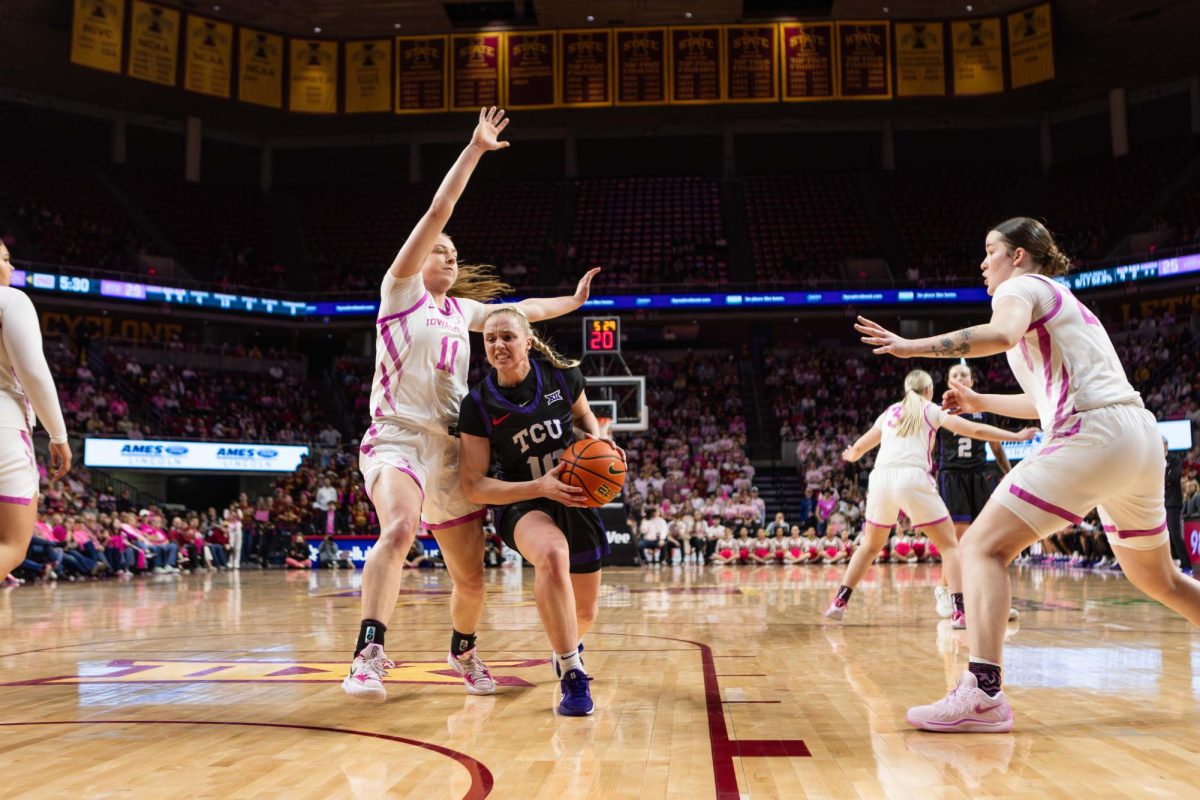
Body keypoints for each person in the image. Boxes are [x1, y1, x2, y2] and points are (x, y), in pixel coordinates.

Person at [856, 217, 1200, 732]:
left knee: (980, 547)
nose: (983, 263)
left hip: (1094, 433)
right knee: (1160, 579)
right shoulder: (1061, 304)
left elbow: (999, 334)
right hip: (1137, 438)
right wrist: (978, 401)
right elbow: (1041, 403)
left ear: (1018, 256)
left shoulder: (1022, 287)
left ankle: (984, 693)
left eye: (990, 252)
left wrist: (913, 346)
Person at [343, 107, 602, 703]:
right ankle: (368, 653)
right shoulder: (400, 292)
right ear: (421, 256)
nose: (451, 256)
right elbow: (439, 212)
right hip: (398, 438)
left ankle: (462, 650)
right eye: (443, 251)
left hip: (454, 447)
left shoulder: (463, 312)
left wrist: (574, 299)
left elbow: (524, 312)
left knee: (472, 580)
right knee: (401, 527)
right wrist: (476, 150)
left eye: (455, 253)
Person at [458, 306, 617, 716]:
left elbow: (585, 419)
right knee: (551, 554)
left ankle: (565, 648)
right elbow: (474, 485)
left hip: (574, 493)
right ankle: (572, 673)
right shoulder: (478, 403)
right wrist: (539, 486)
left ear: (527, 342)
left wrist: (598, 445)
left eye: (507, 336)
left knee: (585, 613)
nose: (498, 345)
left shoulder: (562, 376)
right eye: (490, 339)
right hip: (522, 498)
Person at [828, 369, 1036, 625]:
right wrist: (1015, 436)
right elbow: (976, 430)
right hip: (912, 478)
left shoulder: (890, 412)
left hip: (880, 479)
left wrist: (850, 456)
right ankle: (959, 612)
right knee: (950, 546)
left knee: (869, 546)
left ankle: (839, 602)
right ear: (929, 391)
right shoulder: (931, 410)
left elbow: (859, 448)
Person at [0, 243, 71, 582]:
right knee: (12, 545)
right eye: (4, 259)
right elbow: (33, 372)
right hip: (4, 426)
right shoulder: (11, 300)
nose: (10, 268)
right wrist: (58, 435)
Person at [934, 363, 1017, 619]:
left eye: (964, 375)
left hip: (980, 476)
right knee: (959, 539)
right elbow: (928, 445)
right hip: (952, 476)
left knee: (987, 537)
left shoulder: (984, 409)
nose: (959, 378)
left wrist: (1009, 471)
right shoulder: (939, 412)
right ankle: (944, 589)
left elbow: (996, 446)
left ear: (972, 381)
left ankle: (986, 597)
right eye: (954, 375)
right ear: (949, 382)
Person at [1163, 438, 1189, 574]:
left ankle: (1187, 565)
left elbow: (1174, 475)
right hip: (1161, 503)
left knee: (1175, 533)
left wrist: (1165, 478)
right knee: (1164, 535)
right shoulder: (1156, 461)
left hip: (1173, 502)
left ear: (1166, 445)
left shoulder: (1174, 459)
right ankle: (1171, 561)